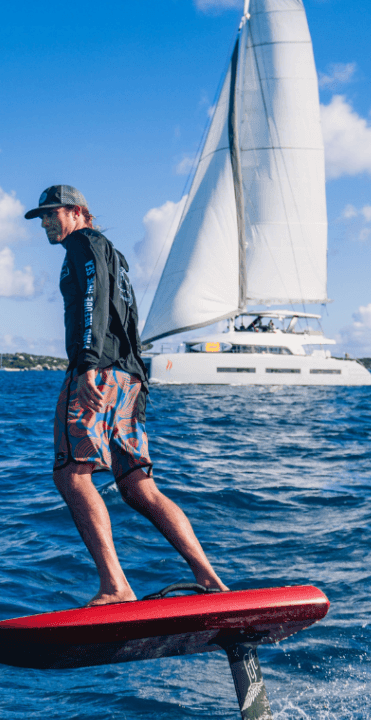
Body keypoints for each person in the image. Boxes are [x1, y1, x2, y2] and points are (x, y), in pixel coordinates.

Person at [26, 184, 228, 606]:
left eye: (51, 214)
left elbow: (91, 302)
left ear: (78, 212)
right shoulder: (114, 255)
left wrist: (86, 364)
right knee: (138, 486)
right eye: (41, 217)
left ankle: (115, 586)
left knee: (71, 473)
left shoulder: (83, 245)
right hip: (129, 380)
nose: (45, 222)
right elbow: (125, 317)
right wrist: (138, 388)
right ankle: (209, 579)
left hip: (99, 373)